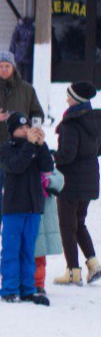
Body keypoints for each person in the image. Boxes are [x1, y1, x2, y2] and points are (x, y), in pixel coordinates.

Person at [0, 51, 43, 237]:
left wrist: (35, 129)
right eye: (1, 66)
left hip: (22, 148)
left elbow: (37, 112)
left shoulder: (27, 90)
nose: (4, 69)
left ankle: (18, 223)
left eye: (7, 66)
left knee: (19, 188)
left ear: (13, 67)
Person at [0, 113, 54, 305]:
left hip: (33, 207)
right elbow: (17, 166)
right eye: (21, 127)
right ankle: (10, 289)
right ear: (13, 130)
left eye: (27, 127)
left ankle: (28, 288)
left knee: (28, 251)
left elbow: (48, 167)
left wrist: (41, 144)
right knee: (11, 250)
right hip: (14, 208)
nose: (25, 130)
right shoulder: (6, 148)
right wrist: (30, 145)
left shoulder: (35, 147)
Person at [53, 81, 101, 285]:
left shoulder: (71, 122)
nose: (66, 99)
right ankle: (93, 263)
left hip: (71, 181)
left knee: (67, 225)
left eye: (69, 96)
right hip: (90, 177)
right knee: (79, 223)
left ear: (77, 99)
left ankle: (73, 271)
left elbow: (66, 156)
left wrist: (51, 155)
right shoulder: (96, 119)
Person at [35, 167, 64, 296]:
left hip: (43, 213)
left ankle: (38, 284)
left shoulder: (44, 158)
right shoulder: (19, 155)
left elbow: (59, 178)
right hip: (26, 210)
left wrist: (46, 182)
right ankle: (26, 282)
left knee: (39, 254)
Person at [9, 16, 34, 82]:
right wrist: (11, 53)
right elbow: (13, 40)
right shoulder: (20, 26)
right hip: (21, 56)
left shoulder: (33, 26)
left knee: (28, 77)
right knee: (19, 76)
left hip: (29, 55)